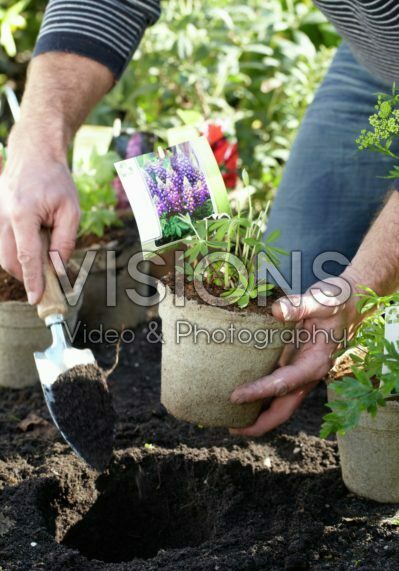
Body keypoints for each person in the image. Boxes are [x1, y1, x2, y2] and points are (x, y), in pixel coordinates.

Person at [1, 0, 399, 437]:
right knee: (290, 298)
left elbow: (361, 282)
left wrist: (365, 280)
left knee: (322, 301)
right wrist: (37, 143)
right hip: (376, 58)